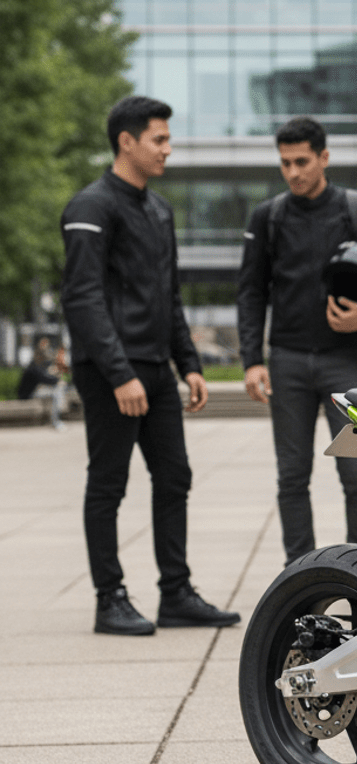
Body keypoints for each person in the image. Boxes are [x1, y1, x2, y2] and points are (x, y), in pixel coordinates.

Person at [60, 96, 238, 636]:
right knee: (108, 483)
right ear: (126, 142)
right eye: (158, 139)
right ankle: (109, 598)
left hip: (156, 369)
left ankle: (176, 593)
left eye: (167, 138)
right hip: (111, 370)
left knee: (175, 476)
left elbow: (169, 296)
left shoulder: (158, 210)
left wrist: (190, 363)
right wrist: (119, 373)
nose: (167, 148)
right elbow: (83, 298)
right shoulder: (90, 208)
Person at [237, 116, 357, 564]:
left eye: (302, 161)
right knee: (292, 477)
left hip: (348, 369)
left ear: (324, 157)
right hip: (288, 364)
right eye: (285, 163)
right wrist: (251, 360)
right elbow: (251, 290)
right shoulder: (268, 217)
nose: (293, 172)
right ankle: (299, 578)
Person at [18, 339, 69, 429]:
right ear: (37, 356)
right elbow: (44, 378)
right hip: (27, 395)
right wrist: (58, 381)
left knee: (53, 392)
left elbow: (45, 375)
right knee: (54, 394)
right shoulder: (34, 367)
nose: (43, 357)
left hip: (31, 392)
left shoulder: (34, 365)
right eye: (42, 356)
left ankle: (52, 418)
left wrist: (55, 377)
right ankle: (56, 422)